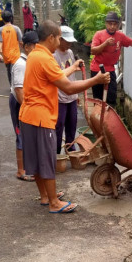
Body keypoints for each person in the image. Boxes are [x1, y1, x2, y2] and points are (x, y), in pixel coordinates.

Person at [19, 20, 111, 213]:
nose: (61, 41)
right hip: (41, 117)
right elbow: (67, 86)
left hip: (29, 115)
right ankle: (54, 203)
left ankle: (46, 196)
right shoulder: (44, 58)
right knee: (46, 159)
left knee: (37, 159)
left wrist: (74, 68)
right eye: (59, 37)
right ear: (51, 37)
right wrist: (96, 79)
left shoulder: (37, 54)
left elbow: (56, 75)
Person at [90, 11, 132, 106]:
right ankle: (97, 117)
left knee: (112, 98)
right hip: (97, 69)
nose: (112, 26)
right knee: (98, 99)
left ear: (118, 25)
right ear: (106, 24)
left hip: (110, 70)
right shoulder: (99, 34)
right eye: (110, 24)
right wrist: (105, 43)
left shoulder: (120, 36)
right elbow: (93, 51)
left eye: (115, 24)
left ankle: (109, 119)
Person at [9, 31, 39, 182]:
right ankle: (21, 171)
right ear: (27, 47)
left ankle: (27, 168)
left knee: (27, 136)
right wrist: (27, 108)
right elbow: (19, 90)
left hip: (26, 102)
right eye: (35, 46)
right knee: (20, 135)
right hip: (19, 103)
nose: (37, 48)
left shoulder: (30, 61)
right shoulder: (21, 64)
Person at [54, 26, 78, 155]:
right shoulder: (54, 55)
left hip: (71, 97)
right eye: (67, 41)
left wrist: (76, 93)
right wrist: (74, 67)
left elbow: (72, 74)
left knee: (72, 125)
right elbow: (57, 75)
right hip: (59, 98)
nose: (69, 44)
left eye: (70, 42)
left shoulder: (69, 53)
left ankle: (70, 150)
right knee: (58, 127)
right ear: (60, 39)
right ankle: (56, 154)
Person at [0, 10, 22, 85]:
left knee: (9, 71)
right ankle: (17, 86)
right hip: (16, 55)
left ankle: (12, 86)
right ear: (11, 18)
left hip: (6, 55)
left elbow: (0, 42)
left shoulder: (0, 30)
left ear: (2, 19)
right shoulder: (16, 28)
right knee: (16, 71)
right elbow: (21, 41)